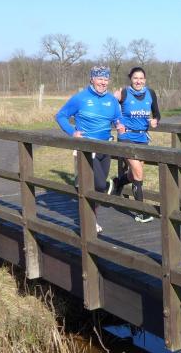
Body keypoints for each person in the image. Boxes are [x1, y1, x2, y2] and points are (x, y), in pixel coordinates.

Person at [55, 66, 124, 233]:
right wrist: (72, 132)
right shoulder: (80, 98)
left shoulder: (111, 100)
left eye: (106, 79)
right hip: (87, 149)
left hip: (105, 148)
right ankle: (91, 216)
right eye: (100, 79)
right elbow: (61, 115)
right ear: (92, 79)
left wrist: (119, 125)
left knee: (96, 188)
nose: (103, 82)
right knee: (99, 185)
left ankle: (91, 220)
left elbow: (117, 117)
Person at [107, 66, 160, 223]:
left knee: (133, 174)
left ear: (145, 80)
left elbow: (157, 113)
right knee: (138, 172)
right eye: (135, 78)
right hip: (126, 137)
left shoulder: (150, 93)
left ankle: (118, 182)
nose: (138, 81)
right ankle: (141, 212)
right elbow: (110, 111)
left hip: (142, 138)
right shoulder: (124, 93)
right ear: (131, 79)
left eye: (141, 78)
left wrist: (155, 120)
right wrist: (113, 99)